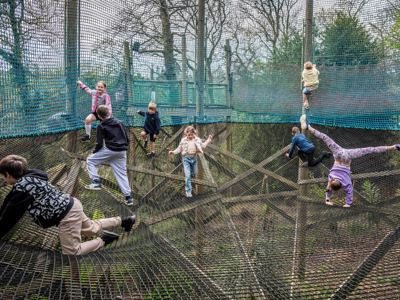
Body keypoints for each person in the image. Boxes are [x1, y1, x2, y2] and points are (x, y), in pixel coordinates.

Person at [0, 155, 136, 256]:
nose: (4, 181)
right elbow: (9, 202)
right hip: (72, 205)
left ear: (8, 174)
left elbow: (10, 216)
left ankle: (104, 240)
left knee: (72, 252)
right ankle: (124, 221)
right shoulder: (32, 176)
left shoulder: (22, 188)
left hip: (66, 216)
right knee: (90, 228)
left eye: (3, 177)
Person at [300, 114, 400, 208]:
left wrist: (348, 203)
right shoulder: (331, 179)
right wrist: (327, 199)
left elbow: (349, 192)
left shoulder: (346, 182)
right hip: (338, 154)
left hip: (347, 157)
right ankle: (308, 127)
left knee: (370, 149)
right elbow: (328, 189)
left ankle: (394, 147)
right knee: (325, 137)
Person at [86, 105, 133, 206]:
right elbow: (127, 138)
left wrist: (94, 152)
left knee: (90, 161)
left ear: (99, 116)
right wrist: (123, 147)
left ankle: (95, 182)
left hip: (110, 149)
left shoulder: (101, 126)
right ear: (109, 113)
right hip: (122, 150)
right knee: (122, 173)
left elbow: (99, 143)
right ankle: (128, 197)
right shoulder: (119, 122)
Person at [168, 126, 212, 198]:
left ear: (194, 134)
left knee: (195, 172)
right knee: (187, 175)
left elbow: (203, 146)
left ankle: (190, 176)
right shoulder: (183, 140)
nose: (190, 136)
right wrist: (173, 152)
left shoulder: (197, 140)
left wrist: (208, 140)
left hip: (194, 158)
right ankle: (188, 191)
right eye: (188, 135)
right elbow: (179, 149)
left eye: (191, 134)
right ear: (186, 134)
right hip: (186, 159)